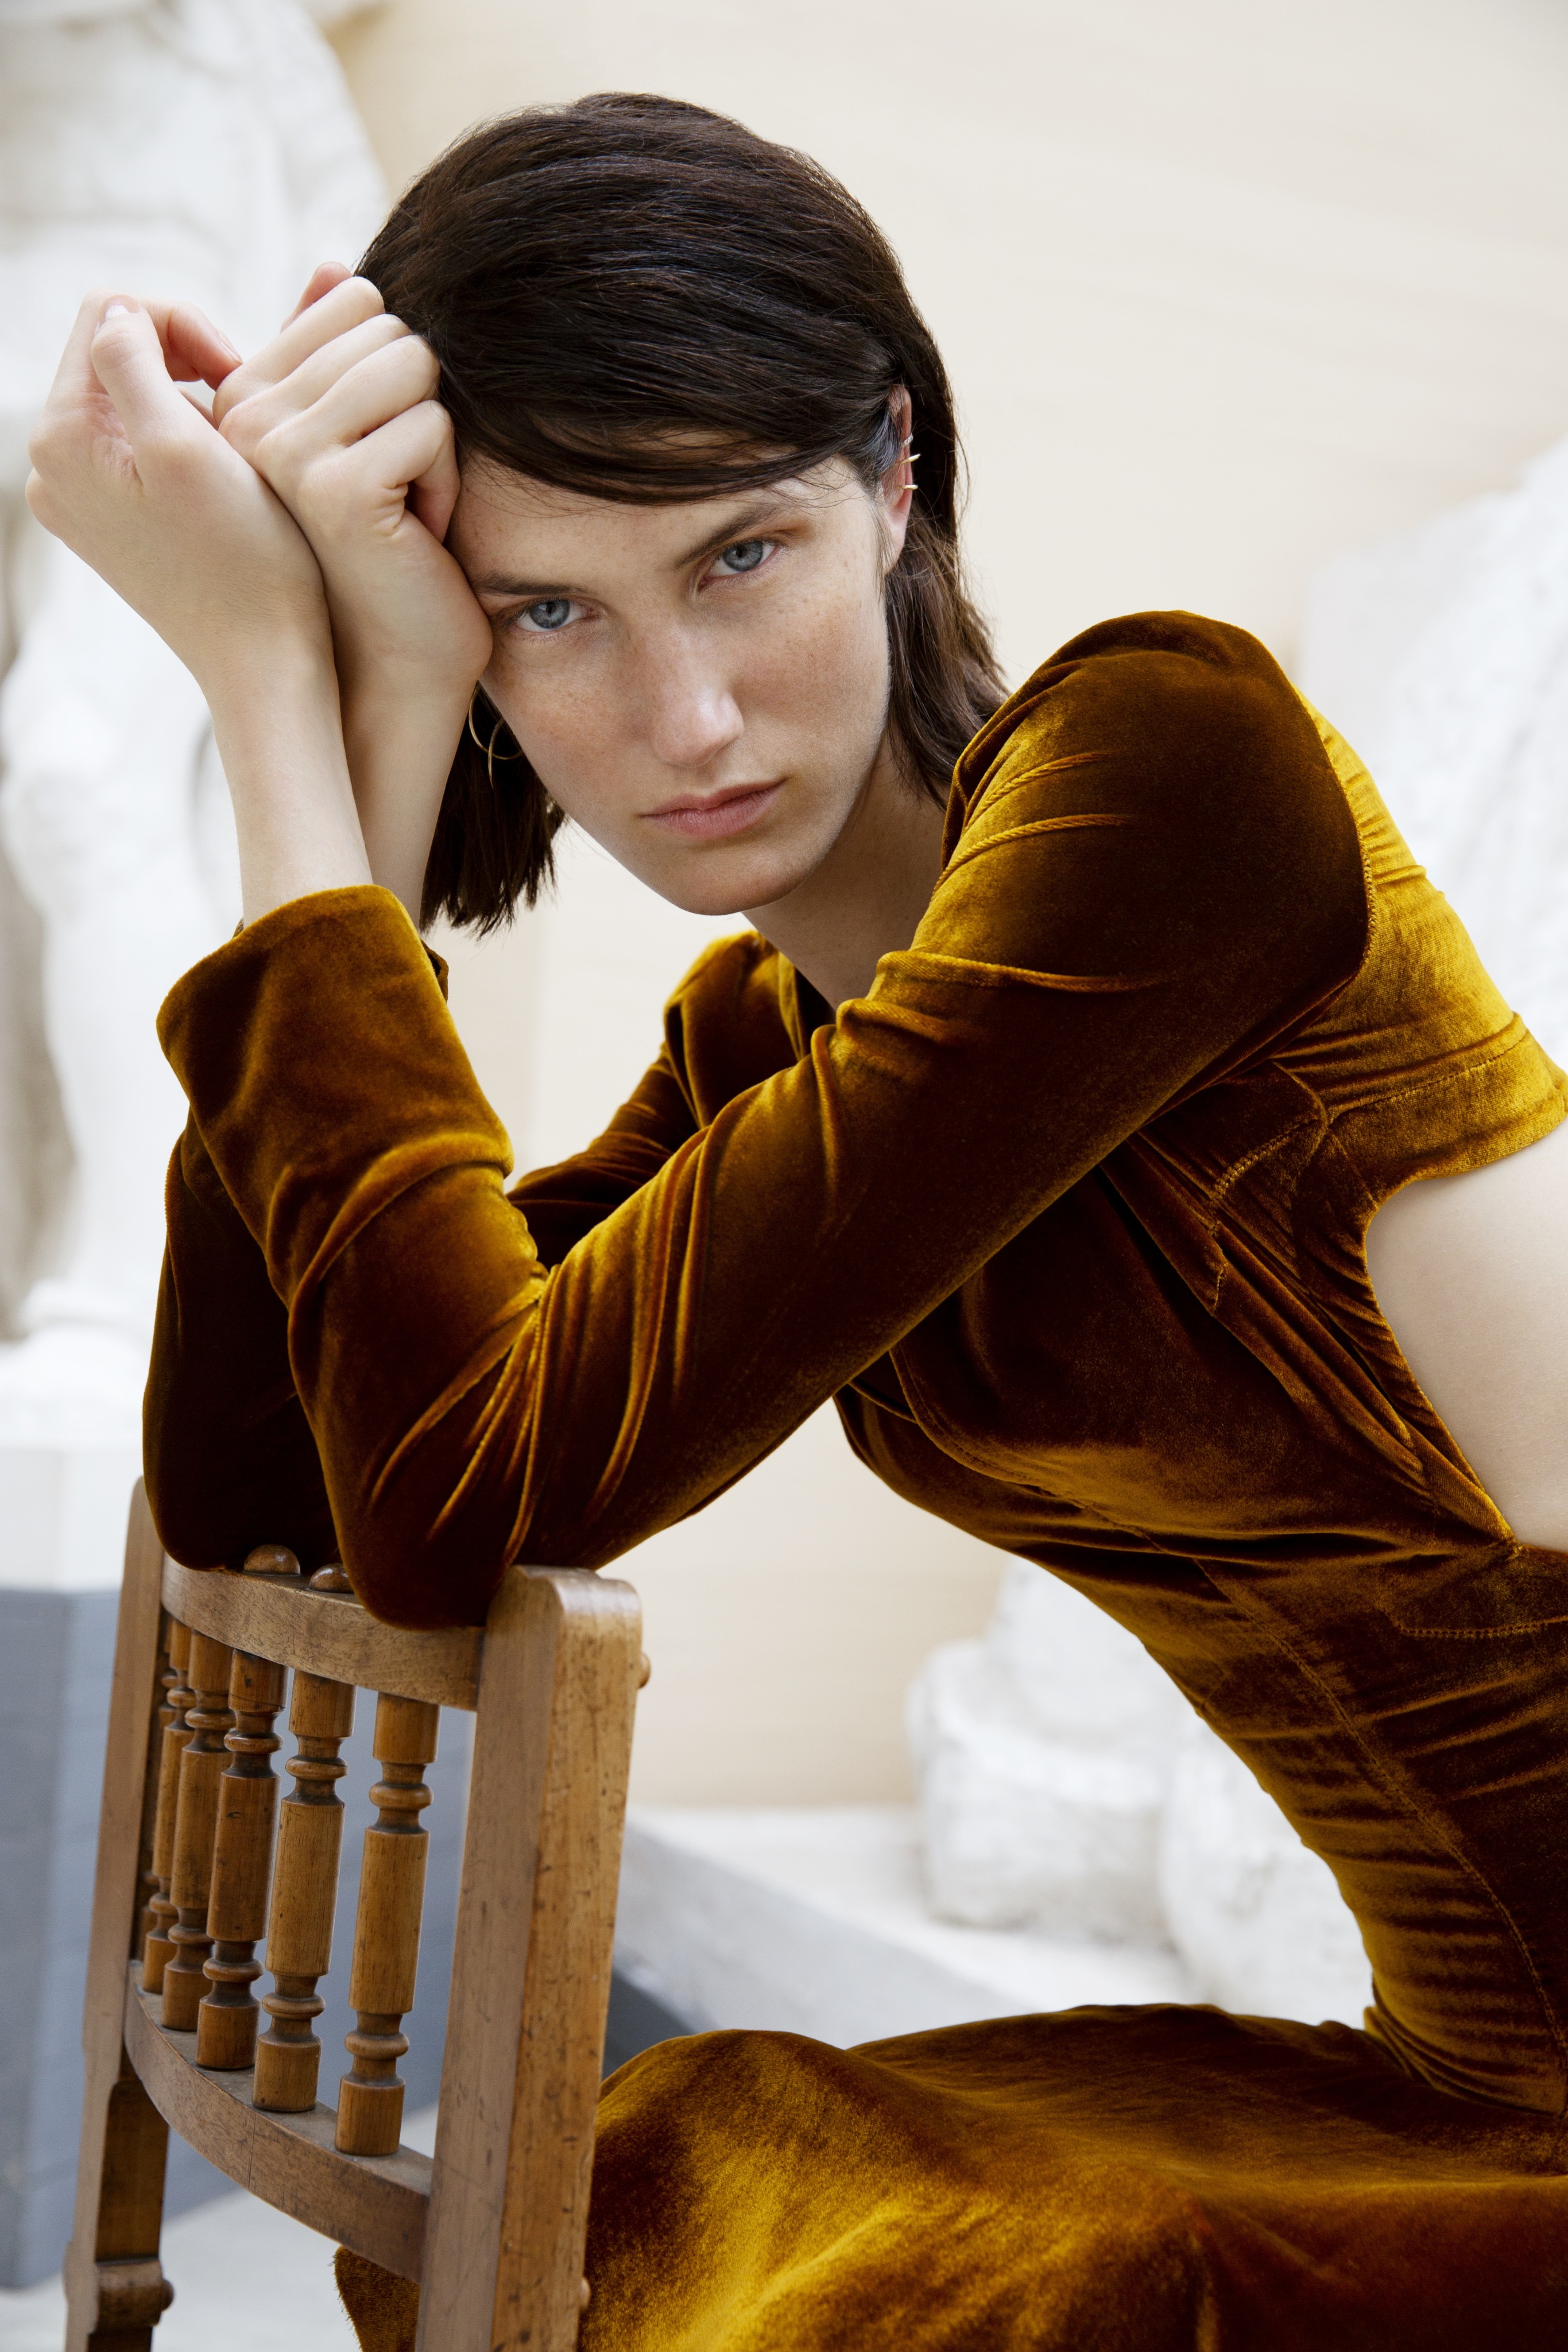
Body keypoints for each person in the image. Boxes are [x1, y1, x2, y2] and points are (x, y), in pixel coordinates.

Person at [26, 91, 1568, 2352]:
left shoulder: (1168, 772)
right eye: (548, 610)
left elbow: (464, 1505)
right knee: (677, 2166)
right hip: (1471, 2069)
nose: (683, 718)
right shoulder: (764, 1037)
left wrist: (270, 690)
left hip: (1512, 2110)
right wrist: (361, 730)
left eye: (740, 553)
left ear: (894, 480)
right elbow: (279, 1492)